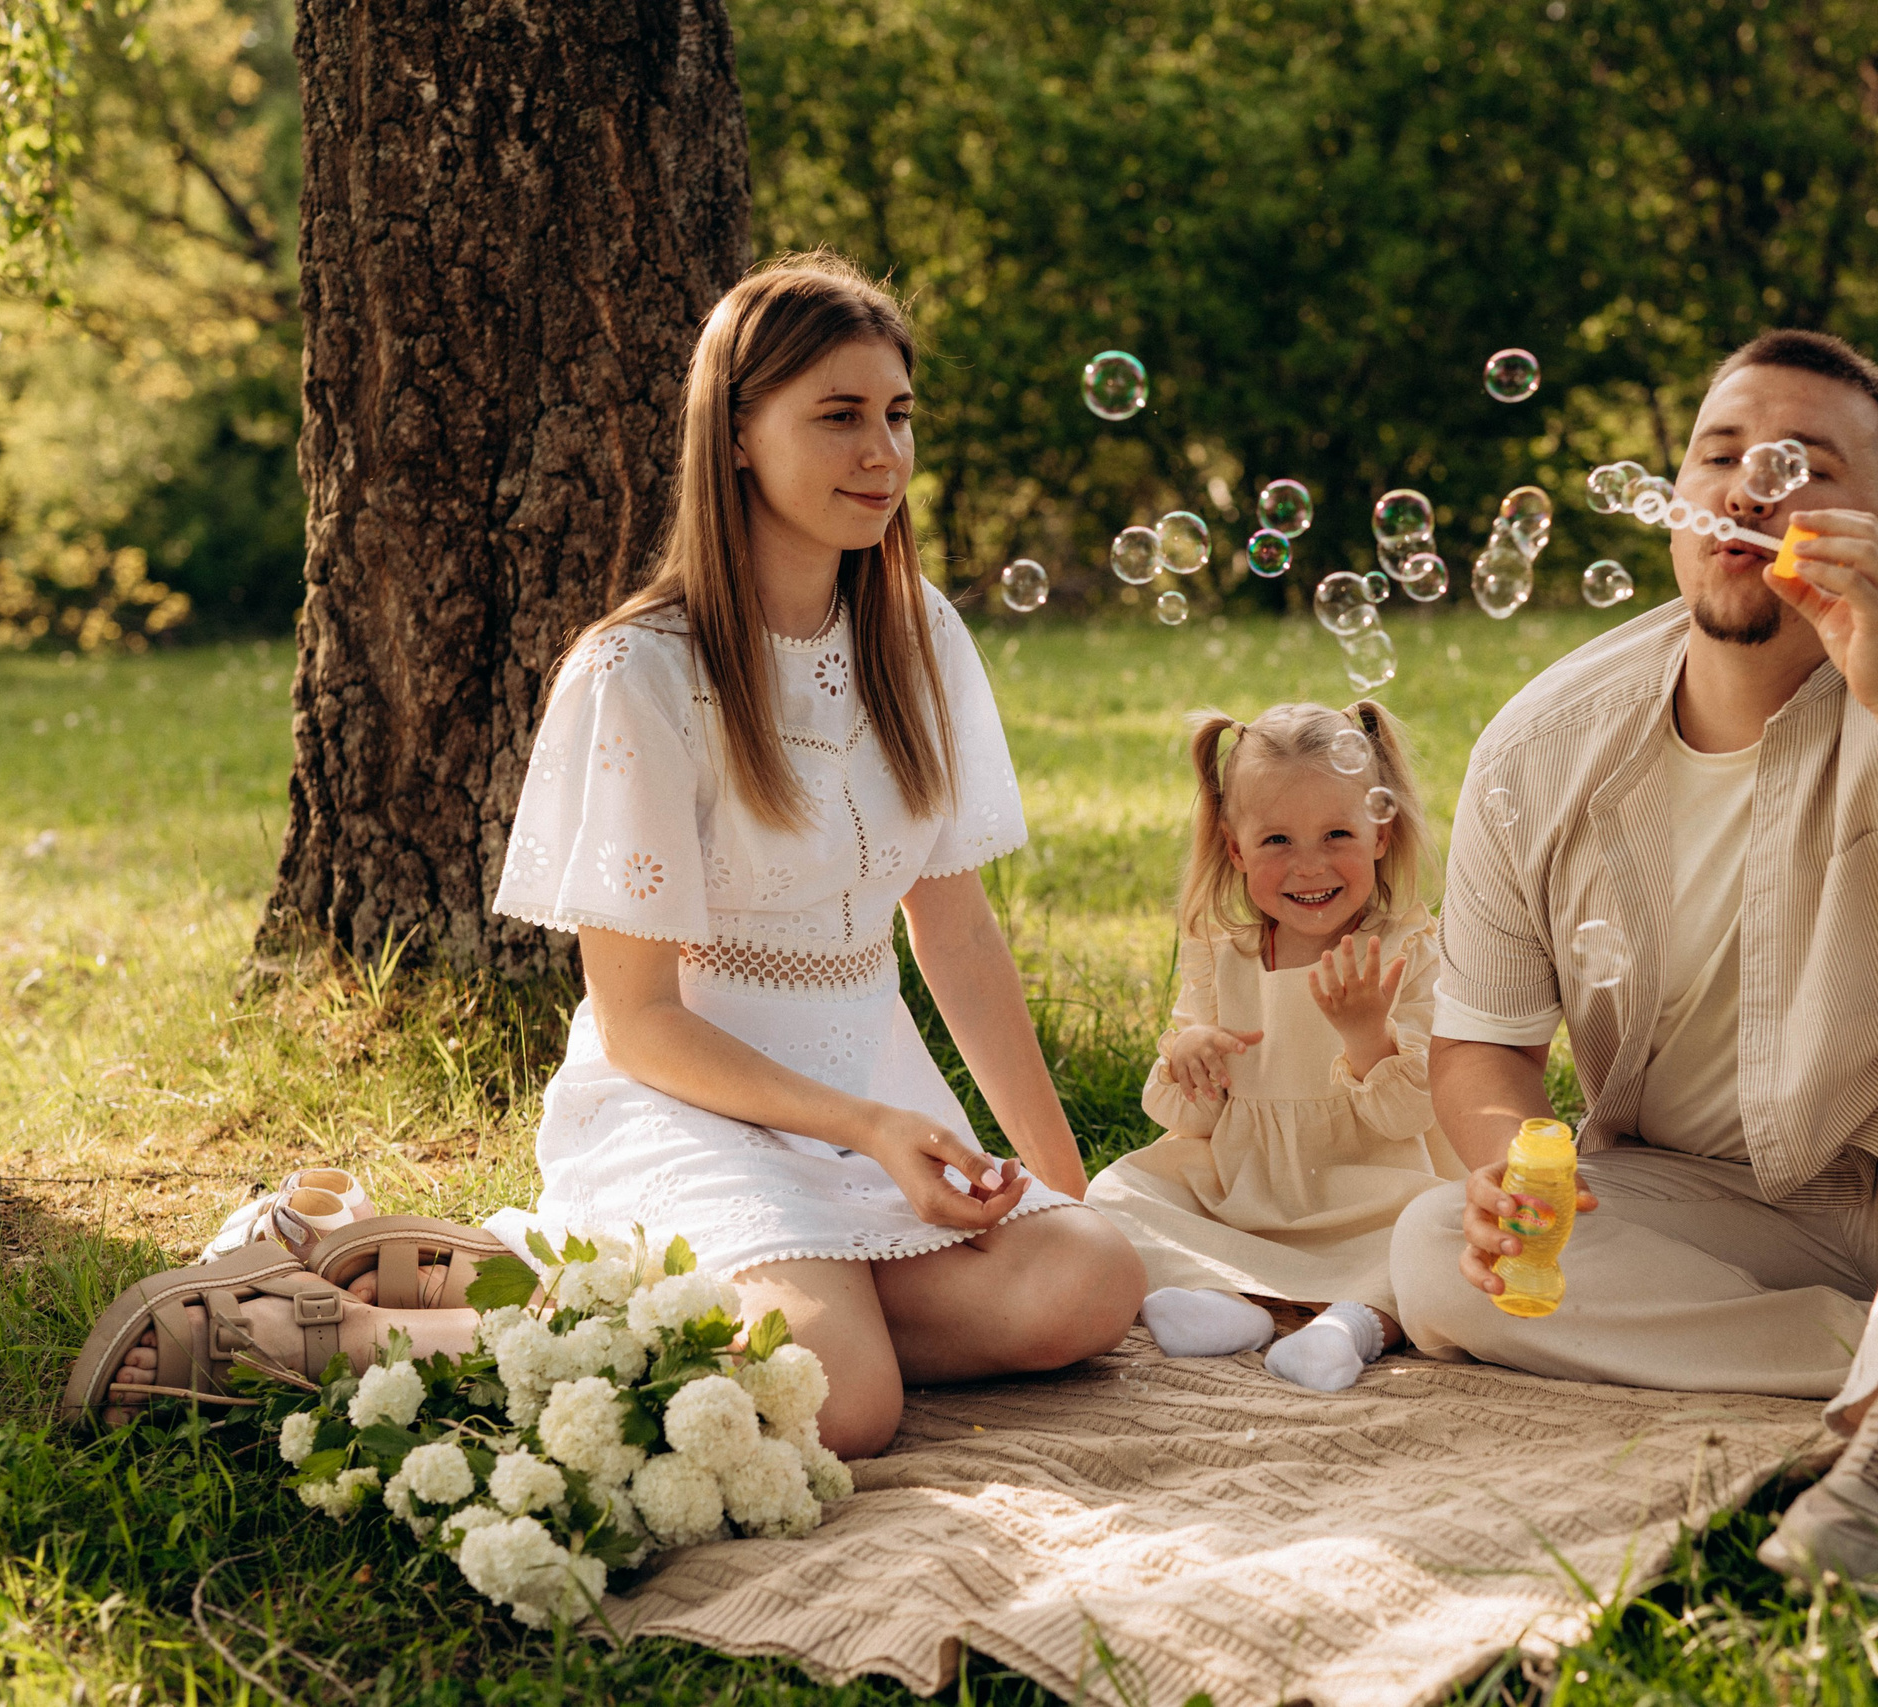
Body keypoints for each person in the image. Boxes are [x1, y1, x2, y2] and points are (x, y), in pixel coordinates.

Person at [66, 253, 1144, 1449]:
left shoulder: (918, 634)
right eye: (837, 417)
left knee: (1090, 1276)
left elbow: (957, 932)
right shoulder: (642, 674)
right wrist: (864, 1130)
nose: (882, 453)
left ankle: (495, 1274)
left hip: (875, 1104)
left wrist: (1058, 1186)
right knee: (843, 1395)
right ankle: (299, 1327)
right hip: (689, 1105)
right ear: (735, 436)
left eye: (897, 415)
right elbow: (639, 1022)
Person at [1388, 330, 1878, 1590]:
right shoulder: (1541, 746)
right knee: (1440, 1253)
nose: (1752, 490)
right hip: (1725, 1209)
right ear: (1676, 508)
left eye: (1804, 467)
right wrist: (1506, 1165)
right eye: (1721, 458)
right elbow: (1482, 1045)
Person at [1087, 702, 1461, 1392]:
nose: (1309, 864)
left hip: (1370, 1192)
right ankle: (1231, 1305)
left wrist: (1366, 1035)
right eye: (1277, 840)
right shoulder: (1219, 955)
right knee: (1113, 1194)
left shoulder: (1405, 947)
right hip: (1246, 1192)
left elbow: (1408, 1116)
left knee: (1431, 1240)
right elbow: (1190, 1123)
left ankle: (1350, 1324)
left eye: (1338, 833)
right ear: (1235, 850)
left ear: (1382, 834)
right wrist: (1190, 1057)